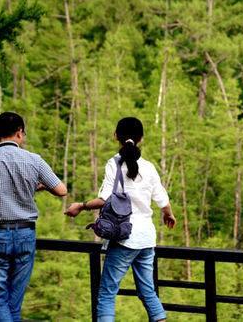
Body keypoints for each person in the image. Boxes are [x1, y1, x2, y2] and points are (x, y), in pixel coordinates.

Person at [65, 117, 176, 322]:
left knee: (107, 293)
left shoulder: (114, 163)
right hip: (147, 239)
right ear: (141, 138)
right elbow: (162, 200)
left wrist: (80, 207)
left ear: (116, 136)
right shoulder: (149, 167)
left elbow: (104, 199)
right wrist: (168, 214)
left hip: (125, 238)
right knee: (148, 292)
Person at [0, 112, 67, 321]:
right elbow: (61, 190)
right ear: (20, 133)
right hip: (25, 234)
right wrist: (34, 186)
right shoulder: (34, 160)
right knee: (13, 301)